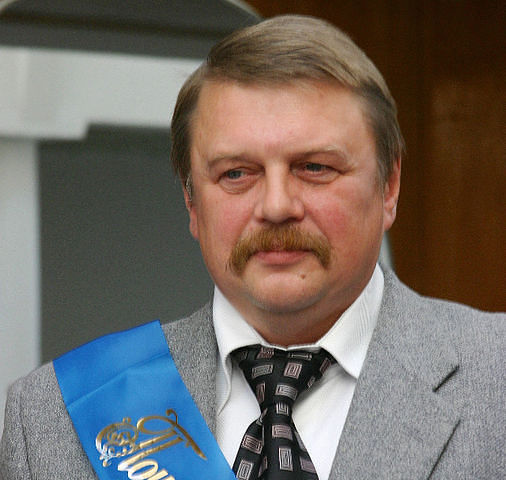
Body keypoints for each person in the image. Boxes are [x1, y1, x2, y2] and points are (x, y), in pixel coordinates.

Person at [1, 15, 504, 480]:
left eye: (315, 167)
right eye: (237, 173)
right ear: (192, 202)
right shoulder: (55, 419)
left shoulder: (495, 379)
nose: (276, 206)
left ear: (389, 187)